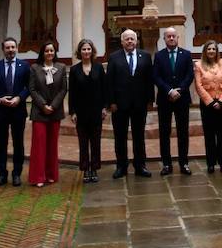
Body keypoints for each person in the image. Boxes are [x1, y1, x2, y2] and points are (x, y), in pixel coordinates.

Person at [106, 28, 153, 178]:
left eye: (132, 38)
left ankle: (140, 165)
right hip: (119, 105)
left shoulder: (145, 56)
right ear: (122, 42)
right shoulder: (114, 57)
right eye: (126, 39)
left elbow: (149, 80)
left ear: (136, 40)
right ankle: (121, 166)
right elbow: (110, 82)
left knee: (139, 136)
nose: (130, 41)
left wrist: (150, 100)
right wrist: (111, 102)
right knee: (120, 136)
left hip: (140, 104)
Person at [0, 38, 29, 188]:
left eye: (13, 47)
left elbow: (28, 86)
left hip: (18, 110)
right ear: (3, 49)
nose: (10, 50)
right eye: (7, 48)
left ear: (17, 48)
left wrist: (19, 97)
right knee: (1, 143)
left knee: (18, 143)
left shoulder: (24, 66)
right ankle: (2, 174)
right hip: (1, 111)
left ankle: (17, 173)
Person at [153, 26, 194, 175]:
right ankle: (166, 164)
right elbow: (156, 76)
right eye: (168, 36)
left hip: (182, 99)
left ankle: (184, 163)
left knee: (183, 132)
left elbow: (190, 75)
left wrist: (179, 90)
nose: (171, 38)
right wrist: (169, 90)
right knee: (164, 132)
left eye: (173, 36)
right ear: (164, 39)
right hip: (165, 99)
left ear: (177, 38)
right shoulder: (159, 56)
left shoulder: (186, 54)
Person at [27, 41, 67, 186]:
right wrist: (43, 105)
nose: (49, 53)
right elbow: (32, 89)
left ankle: (51, 174)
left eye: (52, 51)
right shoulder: (34, 68)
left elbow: (63, 89)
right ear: (42, 53)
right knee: (39, 145)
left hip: (55, 112)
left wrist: (53, 105)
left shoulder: (61, 67)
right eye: (47, 51)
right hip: (39, 112)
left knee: (52, 145)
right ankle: (38, 177)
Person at [68, 39, 107, 182]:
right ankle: (85, 169)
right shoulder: (74, 70)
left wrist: (104, 107)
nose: (86, 52)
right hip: (81, 112)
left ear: (92, 51)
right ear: (80, 52)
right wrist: (72, 112)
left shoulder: (98, 68)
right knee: (83, 142)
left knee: (96, 142)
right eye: (83, 49)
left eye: (88, 49)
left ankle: (95, 168)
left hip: (96, 111)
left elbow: (104, 89)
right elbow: (71, 92)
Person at [194, 41, 222, 173]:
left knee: (221, 134)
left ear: (217, 51)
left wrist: (221, 101)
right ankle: (210, 163)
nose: (211, 51)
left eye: (213, 49)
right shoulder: (198, 65)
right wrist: (210, 102)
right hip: (207, 105)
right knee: (209, 134)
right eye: (208, 49)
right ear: (205, 51)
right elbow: (198, 85)